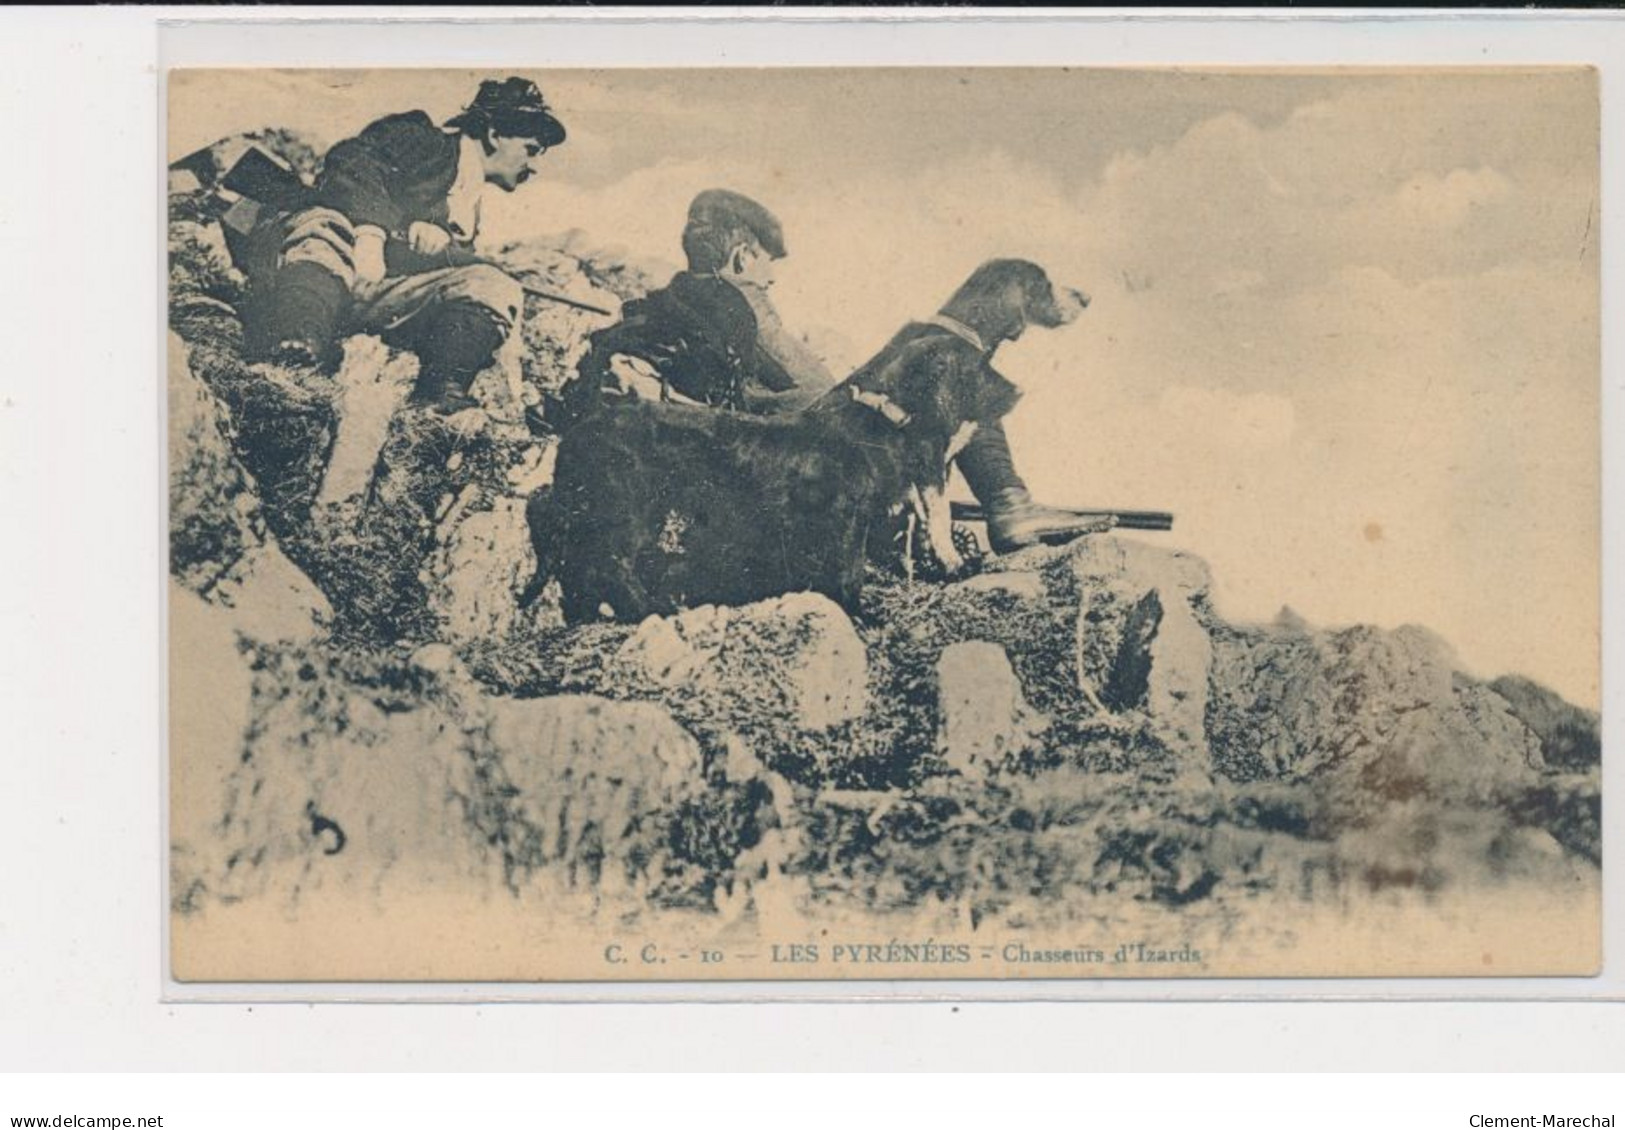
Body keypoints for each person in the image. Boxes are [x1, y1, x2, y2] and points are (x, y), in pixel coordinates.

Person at [233, 77, 566, 413]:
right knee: (324, 228)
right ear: (495, 135)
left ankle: (440, 395)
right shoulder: (425, 139)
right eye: (531, 149)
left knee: (491, 284)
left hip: (377, 296)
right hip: (317, 270)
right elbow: (351, 160)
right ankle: (293, 345)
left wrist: (441, 244)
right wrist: (374, 232)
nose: (534, 166)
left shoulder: (471, 203)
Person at [553, 189, 834, 427]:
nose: (772, 276)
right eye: (769, 261)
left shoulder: (668, 300)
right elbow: (822, 394)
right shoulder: (743, 304)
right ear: (743, 257)